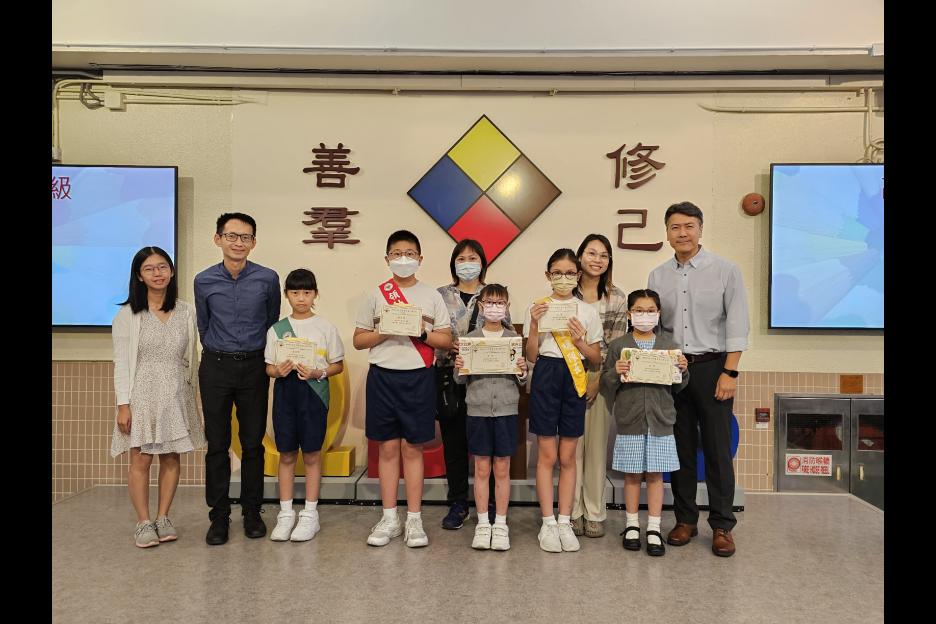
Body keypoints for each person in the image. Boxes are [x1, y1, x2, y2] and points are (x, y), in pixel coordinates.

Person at [648, 201, 750, 557]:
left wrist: (730, 372)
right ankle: (685, 519)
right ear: (667, 233)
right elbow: (655, 328)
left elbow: (737, 323)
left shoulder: (725, 270)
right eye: (675, 227)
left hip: (713, 368)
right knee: (680, 447)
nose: (682, 233)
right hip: (674, 370)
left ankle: (722, 525)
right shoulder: (657, 276)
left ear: (700, 230)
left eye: (689, 226)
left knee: (718, 448)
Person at [353, 230, 452, 548]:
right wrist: (384, 330)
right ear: (387, 259)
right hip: (382, 377)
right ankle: (389, 517)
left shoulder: (431, 296)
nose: (403, 259)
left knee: (413, 448)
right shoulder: (375, 295)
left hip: (419, 378)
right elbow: (359, 340)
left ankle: (414, 518)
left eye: (409, 253)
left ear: (420, 259)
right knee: (386, 449)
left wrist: (421, 331)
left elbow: (445, 341)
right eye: (397, 253)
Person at [195, 213, 280, 545]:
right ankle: (218, 516)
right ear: (218, 239)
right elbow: (204, 325)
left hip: (254, 366)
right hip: (216, 365)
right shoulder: (203, 280)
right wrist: (221, 350)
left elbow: (271, 321)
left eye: (245, 237)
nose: (238, 243)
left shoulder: (267, 278)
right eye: (231, 236)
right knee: (217, 444)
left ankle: (252, 512)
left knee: (252, 443)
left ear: (254, 242)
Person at [111, 246, 205, 548]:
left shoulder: (186, 311)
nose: (157, 273)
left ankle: (163, 517)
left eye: (163, 267)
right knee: (141, 460)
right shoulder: (128, 314)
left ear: (172, 271)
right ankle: (143, 522)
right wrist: (123, 405)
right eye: (149, 268)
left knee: (172, 457)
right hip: (141, 395)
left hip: (176, 394)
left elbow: (191, 356)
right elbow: (121, 363)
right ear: (139, 276)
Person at [524, 249, 603, 553]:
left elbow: (596, 359)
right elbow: (531, 356)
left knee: (568, 456)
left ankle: (565, 521)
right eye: (557, 273)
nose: (564, 278)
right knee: (547, 456)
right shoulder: (537, 307)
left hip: (575, 377)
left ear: (578, 275)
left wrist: (579, 341)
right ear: (548, 275)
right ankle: (547, 522)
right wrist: (534, 325)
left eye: (570, 273)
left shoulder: (587, 311)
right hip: (546, 375)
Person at [601, 289, 688, 556]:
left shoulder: (669, 346)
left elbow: (679, 386)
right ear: (629, 314)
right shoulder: (619, 346)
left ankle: (653, 527)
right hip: (631, 420)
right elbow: (606, 383)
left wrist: (683, 370)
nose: (645, 315)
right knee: (631, 475)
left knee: (655, 475)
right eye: (639, 310)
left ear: (658, 314)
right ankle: (631, 525)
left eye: (650, 311)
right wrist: (615, 373)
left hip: (661, 421)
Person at [264, 269, 344, 542]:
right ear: (286, 295)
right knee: (286, 454)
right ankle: (286, 514)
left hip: (314, 395)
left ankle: (310, 514)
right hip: (285, 395)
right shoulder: (276, 330)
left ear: (315, 294)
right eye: (295, 292)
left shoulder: (325, 327)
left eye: (307, 292)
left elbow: (337, 365)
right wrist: (278, 370)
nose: (301, 298)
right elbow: (269, 368)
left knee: (311, 454)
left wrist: (318, 373)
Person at [436, 239, 508, 530]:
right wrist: (450, 346)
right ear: (454, 263)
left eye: (473, 258)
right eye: (461, 258)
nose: (467, 263)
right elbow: (431, 333)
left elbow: (507, 336)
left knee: (485, 448)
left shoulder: (493, 295)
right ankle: (458, 503)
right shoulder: (440, 295)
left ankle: (488, 503)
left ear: (483, 263)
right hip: (449, 377)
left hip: (486, 381)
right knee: (454, 443)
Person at [453, 283, 527, 551]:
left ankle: (501, 524)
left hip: (506, 410)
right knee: (482, 469)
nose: (495, 307)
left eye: (500, 303)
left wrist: (522, 370)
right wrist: (459, 367)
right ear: (481, 306)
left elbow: (522, 380)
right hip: (478, 410)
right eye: (490, 303)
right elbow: (459, 380)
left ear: (507, 307)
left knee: (502, 469)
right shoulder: (470, 339)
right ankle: (483, 523)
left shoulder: (513, 339)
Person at [571, 234, 629, 539]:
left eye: (604, 255)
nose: (597, 259)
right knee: (571, 449)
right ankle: (572, 512)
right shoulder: (567, 294)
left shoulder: (617, 298)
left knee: (595, 449)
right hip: (567, 376)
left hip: (602, 378)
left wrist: (596, 379)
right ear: (580, 256)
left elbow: (616, 344)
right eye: (591, 253)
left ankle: (594, 512)